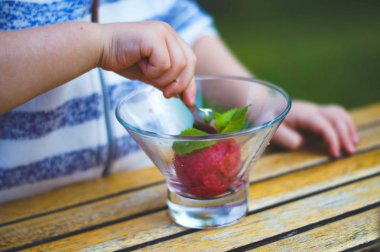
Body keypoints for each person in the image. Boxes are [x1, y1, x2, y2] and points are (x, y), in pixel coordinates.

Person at [0, 0, 359, 202]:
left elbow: (187, 36)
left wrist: (262, 106)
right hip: (20, 214)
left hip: (135, 200)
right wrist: (98, 45)